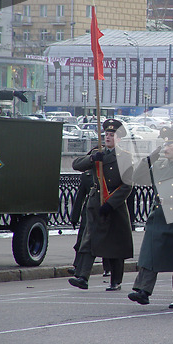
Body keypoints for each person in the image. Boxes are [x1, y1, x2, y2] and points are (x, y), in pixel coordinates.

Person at [128, 127, 173, 309]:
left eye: (170, 144)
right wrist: (152, 156)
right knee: (149, 255)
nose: (166, 147)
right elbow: (137, 177)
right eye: (164, 144)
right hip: (159, 218)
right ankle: (143, 291)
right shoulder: (159, 165)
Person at [69, 119, 134, 291]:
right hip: (96, 204)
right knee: (89, 240)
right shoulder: (98, 152)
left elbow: (127, 185)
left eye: (112, 135)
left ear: (119, 139)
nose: (108, 137)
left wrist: (111, 204)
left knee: (115, 245)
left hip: (114, 205)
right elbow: (76, 165)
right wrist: (92, 158)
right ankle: (82, 277)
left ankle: (116, 280)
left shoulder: (125, 157)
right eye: (107, 134)